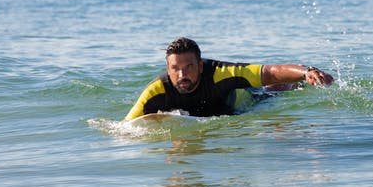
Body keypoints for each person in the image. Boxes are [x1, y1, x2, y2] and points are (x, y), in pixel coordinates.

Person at [124, 37, 334, 120]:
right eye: (175, 69)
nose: (182, 75)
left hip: (243, 103)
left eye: (188, 67)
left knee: (271, 90)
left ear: (201, 65)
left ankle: (296, 82)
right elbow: (125, 127)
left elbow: (269, 71)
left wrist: (306, 72)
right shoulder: (156, 91)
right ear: (168, 69)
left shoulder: (220, 74)